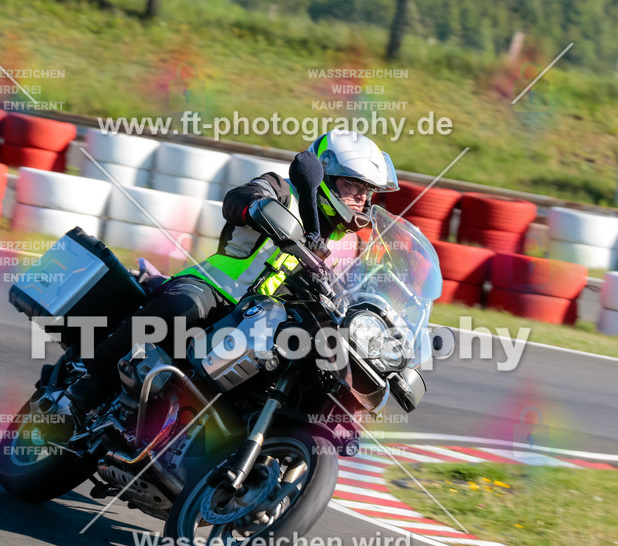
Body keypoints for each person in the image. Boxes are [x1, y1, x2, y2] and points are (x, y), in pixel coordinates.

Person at [68, 129, 399, 412]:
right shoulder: (283, 192)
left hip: (266, 325)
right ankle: (92, 383)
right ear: (323, 177)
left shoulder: (346, 245)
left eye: (367, 190)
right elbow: (237, 198)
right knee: (181, 309)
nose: (362, 197)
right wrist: (256, 207)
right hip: (215, 291)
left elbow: (354, 296)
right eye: (353, 185)